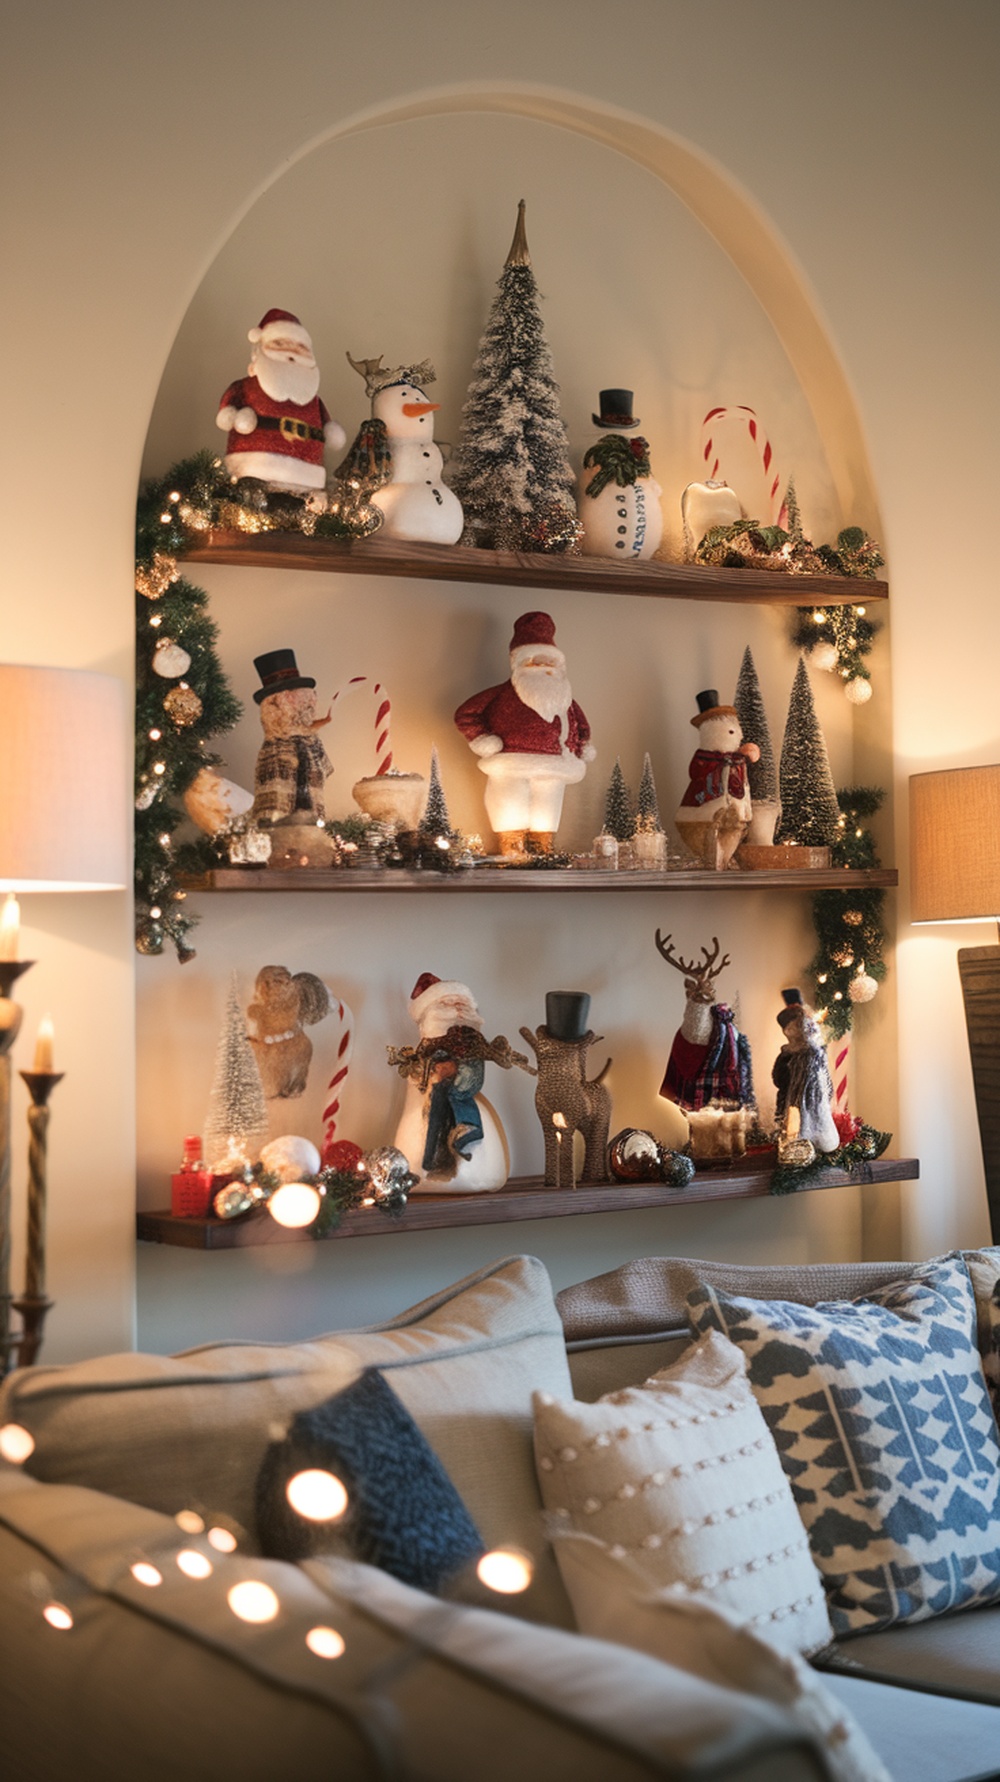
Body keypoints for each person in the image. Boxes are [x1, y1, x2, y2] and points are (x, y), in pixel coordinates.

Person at [454, 611, 595, 855]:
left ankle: (543, 848)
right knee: (509, 802)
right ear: (518, 663)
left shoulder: (564, 700)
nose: (543, 668)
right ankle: (512, 848)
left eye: (549, 663)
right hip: (511, 762)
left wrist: (582, 746)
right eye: (535, 662)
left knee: (548, 807)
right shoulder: (501, 694)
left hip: (555, 765)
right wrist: (482, 739)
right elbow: (466, 714)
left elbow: (582, 726)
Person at [216, 308, 346, 495]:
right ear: (259, 351)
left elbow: (327, 426)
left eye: (300, 348)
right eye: (280, 344)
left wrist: (331, 432)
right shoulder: (245, 387)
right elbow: (226, 413)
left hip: (307, 480)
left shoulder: (315, 401)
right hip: (253, 471)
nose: (292, 354)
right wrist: (234, 417)